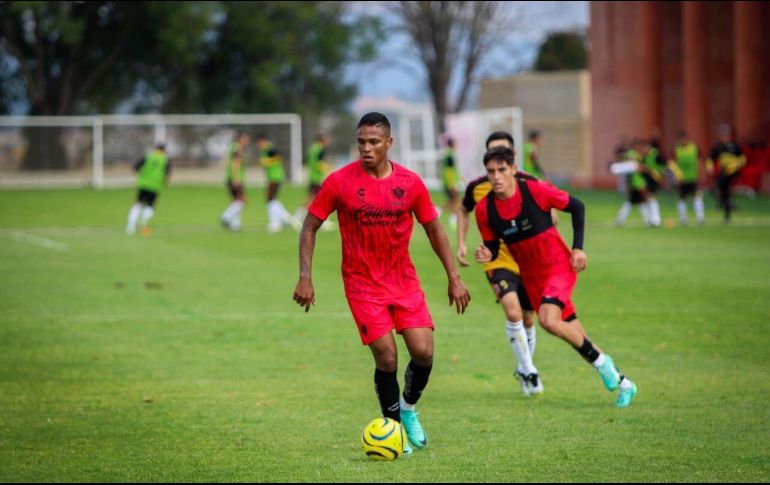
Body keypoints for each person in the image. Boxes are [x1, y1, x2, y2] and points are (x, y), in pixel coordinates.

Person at [292, 112, 471, 454]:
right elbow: (309, 226)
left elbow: (434, 229)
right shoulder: (339, 182)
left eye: (374, 142)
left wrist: (454, 278)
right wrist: (305, 277)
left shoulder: (411, 183)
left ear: (389, 143)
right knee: (387, 357)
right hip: (362, 285)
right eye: (361, 142)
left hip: (403, 281)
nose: (366, 148)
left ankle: (407, 409)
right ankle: (394, 432)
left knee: (423, 351)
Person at [474, 146, 637, 408]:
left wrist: (578, 247)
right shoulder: (485, 210)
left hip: (558, 267)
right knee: (576, 335)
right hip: (532, 278)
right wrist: (485, 253)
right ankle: (624, 383)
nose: (496, 176)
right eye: (491, 171)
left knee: (549, 321)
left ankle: (604, 364)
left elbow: (577, 206)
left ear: (514, 169)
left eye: (502, 170)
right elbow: (493, 246)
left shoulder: (535, 191)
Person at [456, 131, 542, 396]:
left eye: (502, 155)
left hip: (528, 260)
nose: (495, 170)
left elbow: (547, 209)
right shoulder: (478, 186)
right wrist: (461, 243)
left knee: (528, 318)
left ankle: (524, 368)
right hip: (496, 259)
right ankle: (529, 370)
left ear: (513, 158)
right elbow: (463, 209)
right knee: (513, 312)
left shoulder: (529, 183)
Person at [257, 135, 300, 233]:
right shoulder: (264, 150)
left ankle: (275, 223)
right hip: (273, 177)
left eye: (259, 143)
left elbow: (280, 156)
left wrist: (268, 162)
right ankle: (287, 219)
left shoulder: (270, 149)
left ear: (263, 141)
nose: (258, 145)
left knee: (270, 199)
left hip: (275, 177)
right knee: (272, 199)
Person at [126, 142, 171, 236]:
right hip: (155, 186)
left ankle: (130, 227)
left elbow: (136, 167)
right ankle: (143, 224)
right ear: (164, 150)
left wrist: (143, 174)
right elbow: (167, 175)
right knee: (150, 206)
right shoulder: (165, 160)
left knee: (138, 204)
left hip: (143, 184)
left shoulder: (149, 156)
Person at [707, 124, 746, 223]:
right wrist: (709, 167)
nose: (725, 136)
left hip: (733, 171)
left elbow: (743, 158)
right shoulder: (718, 146)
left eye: (727, 134)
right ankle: (726, 204)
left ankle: (724, 202)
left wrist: (736, 165)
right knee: (722, 188)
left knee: (723, 186)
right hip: (724, 171)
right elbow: (711, 158)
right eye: (723, 134)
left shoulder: (735, 146)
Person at [668, 130, 705, 225]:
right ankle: (683, 218)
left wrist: (701, 173)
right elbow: (672, 163)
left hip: (693, 177)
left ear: (687, 138)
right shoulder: (676, 149)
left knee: (696, 196)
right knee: (681, 198)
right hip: (681, 178)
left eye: (683, 139)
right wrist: (675, 176)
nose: (681, 141)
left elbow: (699, 160)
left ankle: (700, 217)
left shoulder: (694, 147)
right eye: (680, 139)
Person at [614, 137, 652, 227]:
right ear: (636, 146)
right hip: (636, 181)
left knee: (635, 201)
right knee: (642, 199)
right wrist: (644, 168)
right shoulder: (632, 154)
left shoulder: (636, 154)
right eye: (640, 146)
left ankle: (620, 219)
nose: (641, 148)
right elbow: (633, 167)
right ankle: (647, 220)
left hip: (638, 180)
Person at [220, 131, 250, 231]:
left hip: (230, 177)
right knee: (243, 200)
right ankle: (226, 216)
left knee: (236, 200)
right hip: (236, 178)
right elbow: (235, 163)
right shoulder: (238, 148)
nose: (247, 141)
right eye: (245, 138)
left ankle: (235, 224)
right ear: (240, 139)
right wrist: (235, 178)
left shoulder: (232, 147)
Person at [439, 136, 460, 231]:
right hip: (449, 183)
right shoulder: (449, 155)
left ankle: (438, 210)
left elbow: (452, 170)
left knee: (453, 200)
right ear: (452, 144)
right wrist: (451, 184)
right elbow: (448, 171)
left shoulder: (448, 154)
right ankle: (453, 221)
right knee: (455, 200)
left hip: (449, 182)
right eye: (455, 143)